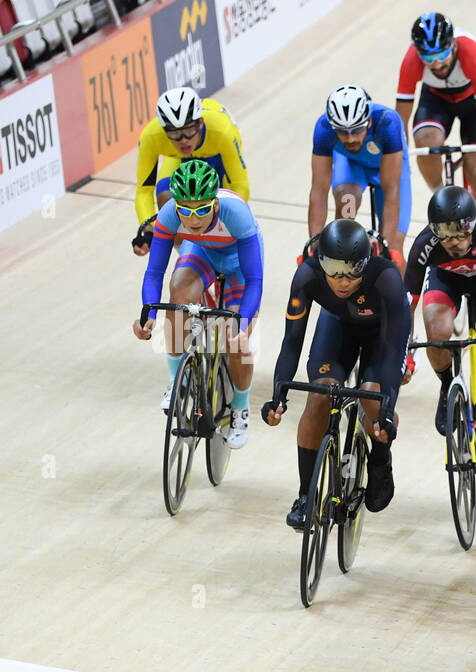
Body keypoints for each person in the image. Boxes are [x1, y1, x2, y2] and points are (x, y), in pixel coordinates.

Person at [262, 219, 410, 527]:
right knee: (320, 396)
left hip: (380, 338)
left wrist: (387, 407)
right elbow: (292, 341)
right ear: (319, 262)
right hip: (337, 329)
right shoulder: (307, 275)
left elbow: (394, 347)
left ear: (366, 264)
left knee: (372, 397)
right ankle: (305, 495)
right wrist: (279, 393)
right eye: (334, 271)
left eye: (352, 272)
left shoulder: (386, 277)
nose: (342, 281)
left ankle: (380, 460)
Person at [132, 160, 263, 448]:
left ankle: (240, 407)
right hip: (202, 252)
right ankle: (177, 378)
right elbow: (154, 272)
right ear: (176, 206)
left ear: (215, 204)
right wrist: (148, 313)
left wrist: (242, 324)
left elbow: (255, 279)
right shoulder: (168, 215)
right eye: (186, 210)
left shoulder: (237, 213)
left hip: (239, 264)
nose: (193, 219)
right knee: (177, 296)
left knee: (235, 339)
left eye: (202, 209)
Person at [403, 185, 476, 435]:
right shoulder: (424, 244)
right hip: (447, 281)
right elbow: (407, 306)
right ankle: (447, 386)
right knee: (436, 335)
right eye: (444, 236)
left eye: (459, 235)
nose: (453, 242)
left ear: (472, 225)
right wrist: (406, 353)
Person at [395, 12, 476, 222]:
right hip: (436, 100)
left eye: (442, 56)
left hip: (472, 104)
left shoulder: (470, 52)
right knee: (425, 141)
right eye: (428, 58)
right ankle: (441, 196)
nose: (436, 64)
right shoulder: (411, 60)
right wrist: (399, 158)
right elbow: (400, 119)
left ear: (453, 45)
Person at [133, 87, 249, 254]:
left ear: (200, 123)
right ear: (164, 130)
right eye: (174, 134)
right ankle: (187, 256)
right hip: (177, 158)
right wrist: (149, 230)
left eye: (189, 130)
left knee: (222, 206)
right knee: (166, 198)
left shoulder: (222, 131)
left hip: (216, 154)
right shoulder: (150, 137)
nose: (183, 141)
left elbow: (240, 187)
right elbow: (144, 190)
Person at [309, 85, 412, 260]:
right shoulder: (324, 128)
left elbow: (391, 191)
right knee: (347, 201)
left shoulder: (388, 123)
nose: (350, 138)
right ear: (333, 127)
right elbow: (319, 191)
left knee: (393, 250)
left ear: (369, 121)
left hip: (387, 168)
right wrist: (314, 247)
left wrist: (385, 245)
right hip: (352, 165)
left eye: (356, 130)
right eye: (342, 132)